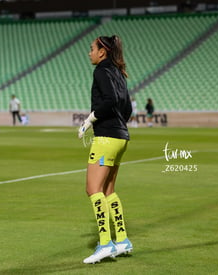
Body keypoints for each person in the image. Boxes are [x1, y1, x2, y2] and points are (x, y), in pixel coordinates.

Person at [78, 35, 133, 264]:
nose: (89, 52)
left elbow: (109, 100)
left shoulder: (101, 71)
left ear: (102, 52)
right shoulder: (119, 73)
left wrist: (90, 119)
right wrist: (117, 124)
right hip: (121, 137)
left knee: (93, 189)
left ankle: (105, 243)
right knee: (109, 190)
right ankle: (121, 241)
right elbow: (127, 107)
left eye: (92, 48)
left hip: (107, 138)